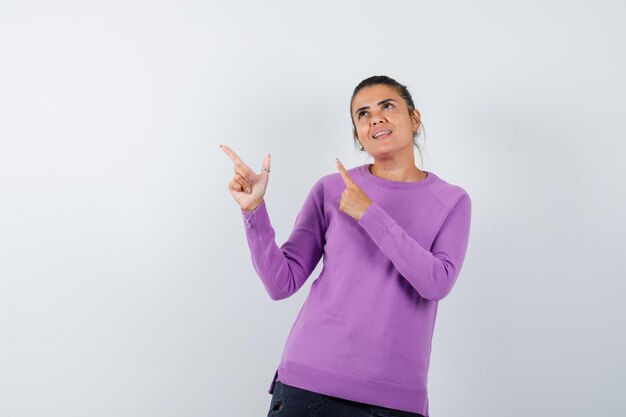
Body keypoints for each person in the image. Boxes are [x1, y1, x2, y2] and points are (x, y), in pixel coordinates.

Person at [220, 75, 472, 417]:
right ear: (358, 134)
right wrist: (253, 210)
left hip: (395, 400)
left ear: (414, 118)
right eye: (363, 114)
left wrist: (369, 213)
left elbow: (435, 283)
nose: (376, 118)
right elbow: (281, 284)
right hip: (308, 386)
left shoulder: (452, 201)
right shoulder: (330, 189)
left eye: (387, 106)